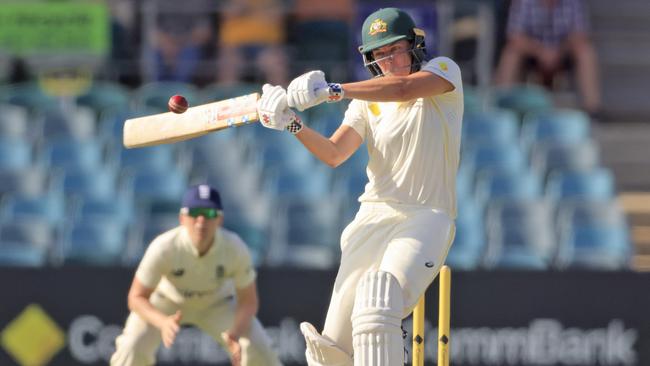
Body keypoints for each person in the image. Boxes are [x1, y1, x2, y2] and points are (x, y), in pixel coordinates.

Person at [256, 7, 462, 366]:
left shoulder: (443, 73)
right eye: (379, 54)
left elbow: (401, 89)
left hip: (425, 217)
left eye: (395, 49)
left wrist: (333, 90)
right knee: (331, 350)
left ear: (414, 45)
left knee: (378, 305)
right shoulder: (365, 104)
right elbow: (335, 153)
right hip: (371, 220)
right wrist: (292, 123)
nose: (388, 60)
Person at [110, 184, 282, 366]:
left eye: (209, 214)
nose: (201, 221)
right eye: (194, 213)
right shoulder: (164, 247)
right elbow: (136, 297)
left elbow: (248, 301)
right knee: (131, 349)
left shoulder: (234, 248)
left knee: (260, 351)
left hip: (216, 304)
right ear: (182, 218)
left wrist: (234, 334)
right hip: (167, 302)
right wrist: (163, 322)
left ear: (219, 219)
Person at [494, 0, 601, 114]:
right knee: (511, 53)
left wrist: (558, 52)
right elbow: (514, 35)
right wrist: (540, 52)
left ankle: (592, 109)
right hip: (533, 55)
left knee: (585, 51)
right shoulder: (524, 2)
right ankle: (501, 106)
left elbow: (581, 34)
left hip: (563, 54)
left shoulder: (573, 2)